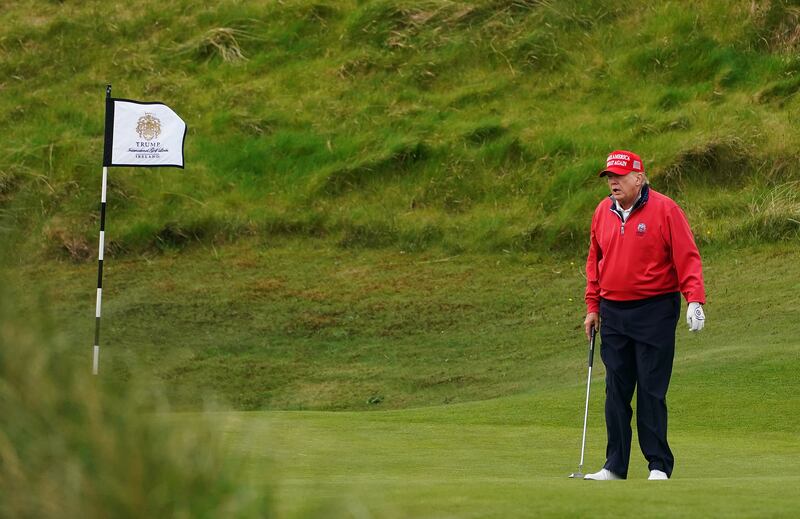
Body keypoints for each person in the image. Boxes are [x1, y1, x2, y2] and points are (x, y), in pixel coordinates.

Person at [582, 150, 706, 481]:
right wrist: (592, 307)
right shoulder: (602, 211)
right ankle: (614, 466)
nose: (613, 182)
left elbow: (687, 257)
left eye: (619, 176)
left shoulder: (666, 210)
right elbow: (595, 261)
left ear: (639, 178)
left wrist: (695, 299)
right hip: (613, 312)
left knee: (651, 389)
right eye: (609, 177)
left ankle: (658, 466)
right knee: (616, 390)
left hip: (655, 310)